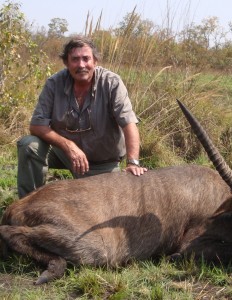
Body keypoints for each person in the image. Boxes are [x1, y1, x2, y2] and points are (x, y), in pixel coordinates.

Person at [17, 37, 147, 198]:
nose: (81, 65)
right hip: (64, 155)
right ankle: (27, 205)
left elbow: (129, 124)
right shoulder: (54, 83)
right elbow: (36, 125)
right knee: (29, 145)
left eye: (86, 59)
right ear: (66, 62)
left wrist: (133, 162)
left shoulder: (111, 83)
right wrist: (68, 146)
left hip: (102, 163)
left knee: (103, 207)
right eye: (75, 59)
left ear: (95, 61)